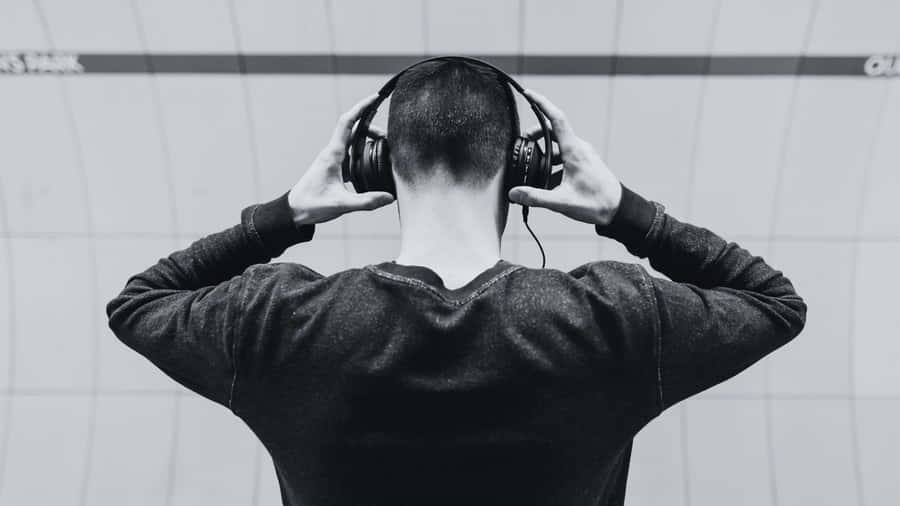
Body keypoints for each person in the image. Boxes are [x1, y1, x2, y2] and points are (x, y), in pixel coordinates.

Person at [106, 59, 807, 506]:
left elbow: (140, 303)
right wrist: (627, 212)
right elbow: (773, 303)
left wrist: (283, 216)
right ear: (526, 166)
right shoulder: (609, 318)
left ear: (375, 164)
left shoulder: (280, 320)